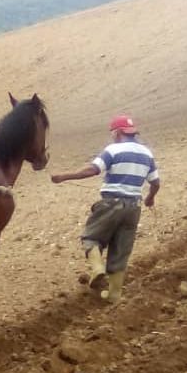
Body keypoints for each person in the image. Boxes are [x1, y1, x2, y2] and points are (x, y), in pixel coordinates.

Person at [50, 115, 160, 302]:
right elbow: (155, 182)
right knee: (120, 250)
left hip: (111, 203)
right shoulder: (147, 154)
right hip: (134, 208)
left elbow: (92, 170)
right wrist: (150, 198)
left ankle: (97, 269)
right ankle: (114, 295)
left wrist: (64, 176)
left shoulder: (113, 150)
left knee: (91, 237)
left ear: (117, 133)